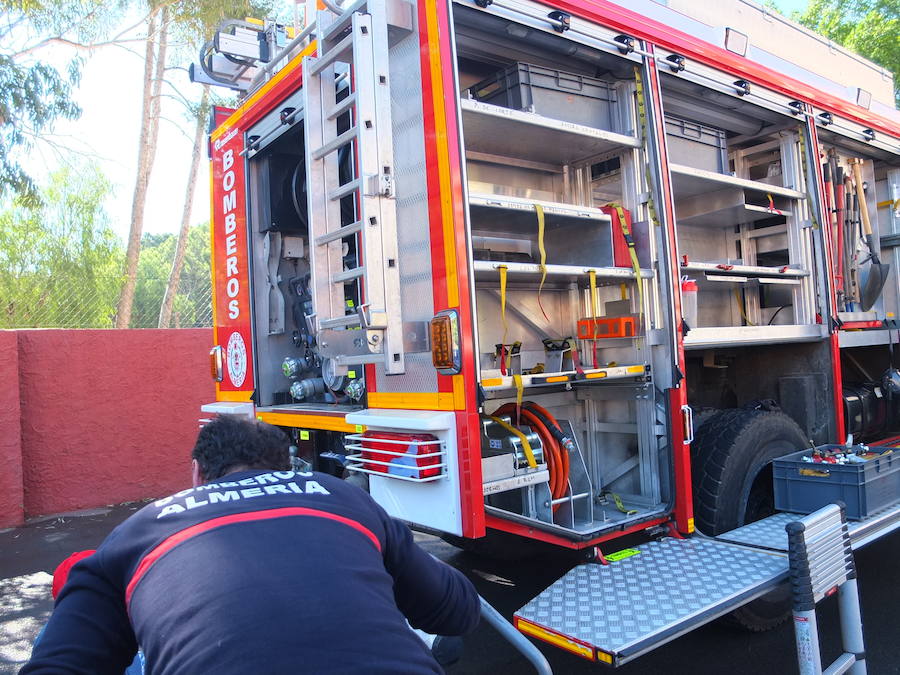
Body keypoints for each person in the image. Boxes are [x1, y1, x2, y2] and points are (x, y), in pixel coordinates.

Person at [24, 415, 480, 674]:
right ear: (286, 468)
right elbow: (458, 610)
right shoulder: (344, 499)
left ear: (198, 474)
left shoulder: (139, 531)